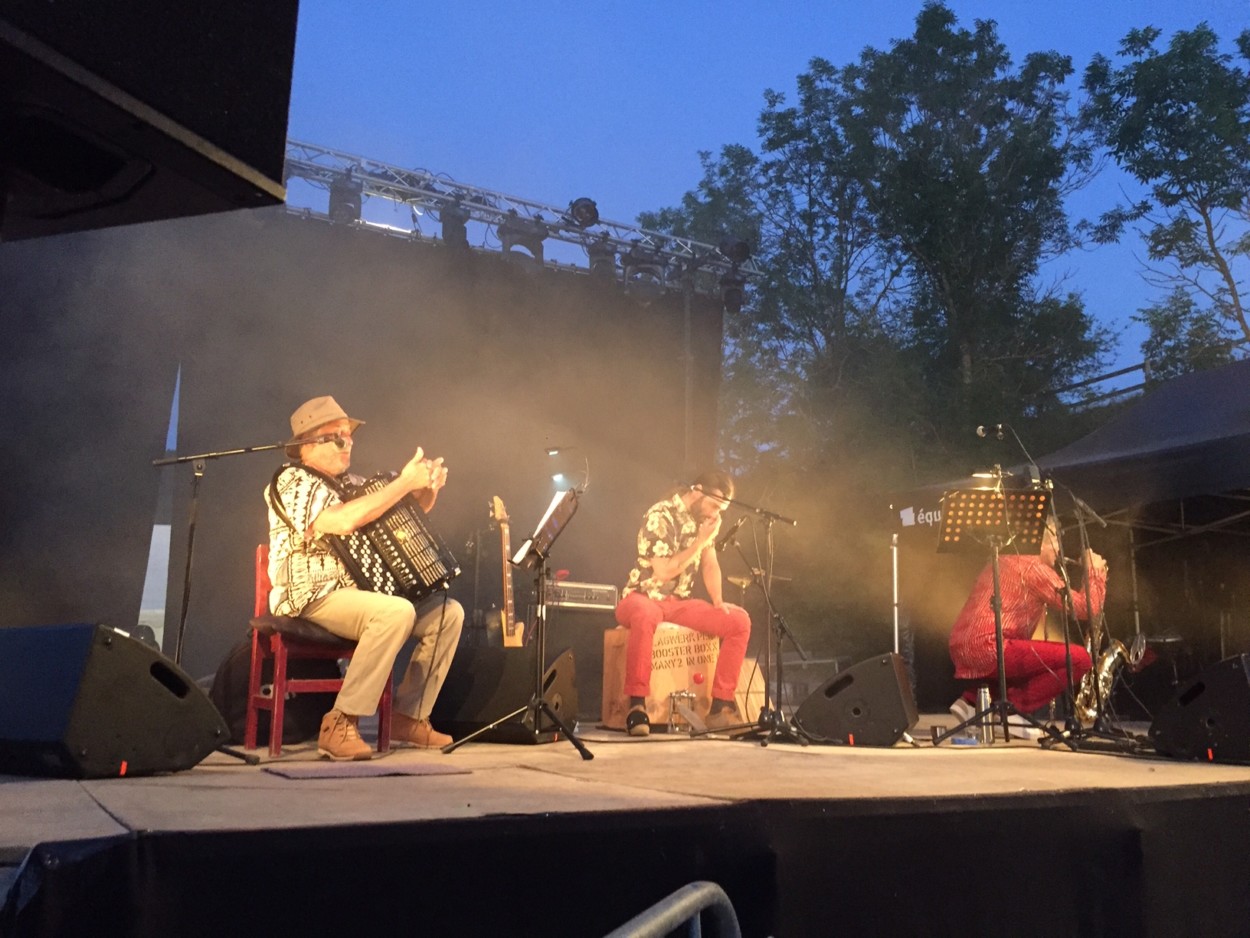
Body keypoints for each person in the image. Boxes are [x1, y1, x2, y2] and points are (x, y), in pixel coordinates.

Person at [265, 395, 463, 760]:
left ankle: (409, 716)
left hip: (363, 595)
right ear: (308, 444)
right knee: (395, 612)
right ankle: (340, 722)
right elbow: (342, 520)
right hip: (311, 596)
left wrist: (425, 489)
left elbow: (399, 514)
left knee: (449, 613)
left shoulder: (354, 482)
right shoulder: (291, 481)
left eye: (349, 435)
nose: (348, 442)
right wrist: (403, 483)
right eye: (336, 436)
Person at [614, 470, 752, 736]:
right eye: (714, 505)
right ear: (697, 491)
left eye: (721, 510)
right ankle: (637, 707)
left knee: (739, 620)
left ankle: (719, 709)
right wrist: (701, 541)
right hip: (642, 596)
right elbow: (664, 571)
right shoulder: (660, 515)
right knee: (645, 615)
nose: (715, 514)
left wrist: (719, 601)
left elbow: (710, 565)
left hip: (678, 603)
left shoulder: (704, 522)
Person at [948, 520, 1107, 734]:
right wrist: (1095, 573)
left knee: (1027, 657)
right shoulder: (1033, 566)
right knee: (1079, 659)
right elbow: (1086, 608)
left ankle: (970, 701)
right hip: (989, 646)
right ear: (1039, 543)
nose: (1060, 550)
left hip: (964, 644)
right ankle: (1011, 712)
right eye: (1055, 542)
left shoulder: (1004, 559)